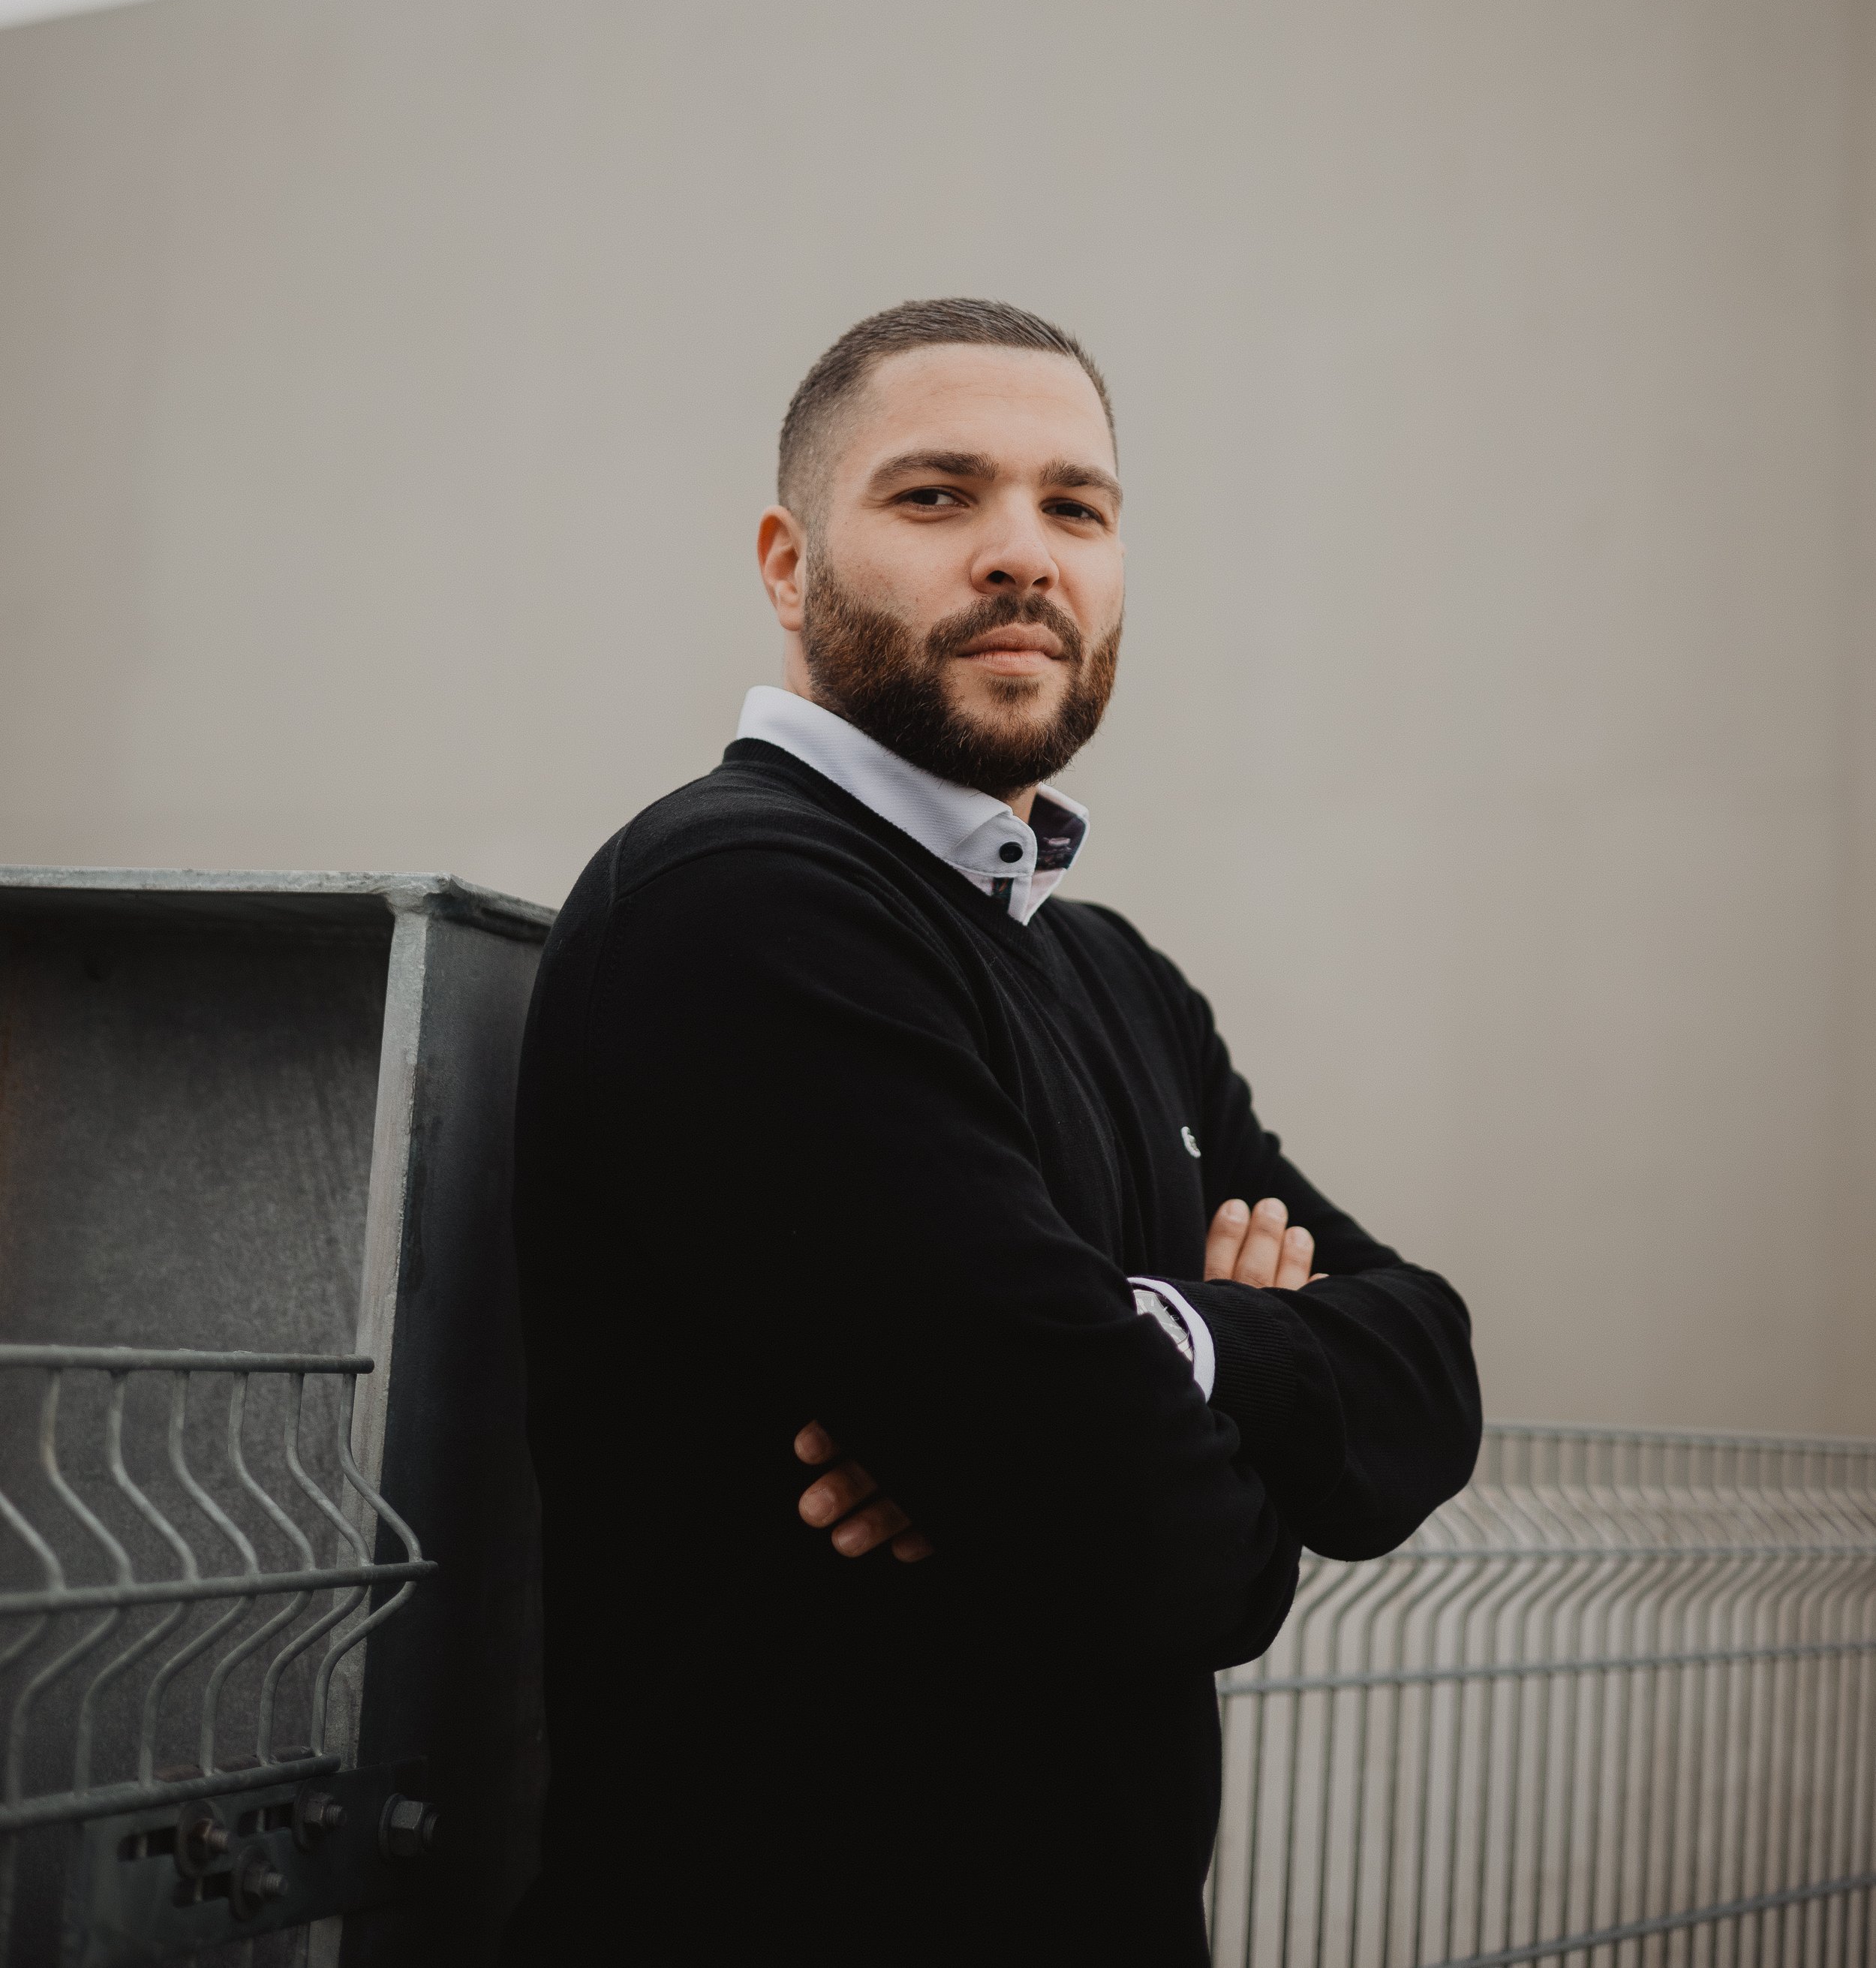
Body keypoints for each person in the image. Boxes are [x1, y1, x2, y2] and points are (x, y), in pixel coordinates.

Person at [506, 298, 1479, 1966]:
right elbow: (1171, 1564)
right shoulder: (741, 905)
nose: (1021, 556)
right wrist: (1224, 1402)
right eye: (937, 496)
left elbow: (1431, 1366)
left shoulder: (1106, 971)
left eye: (1073, 508)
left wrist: (1167, 1344)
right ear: (785, 559)